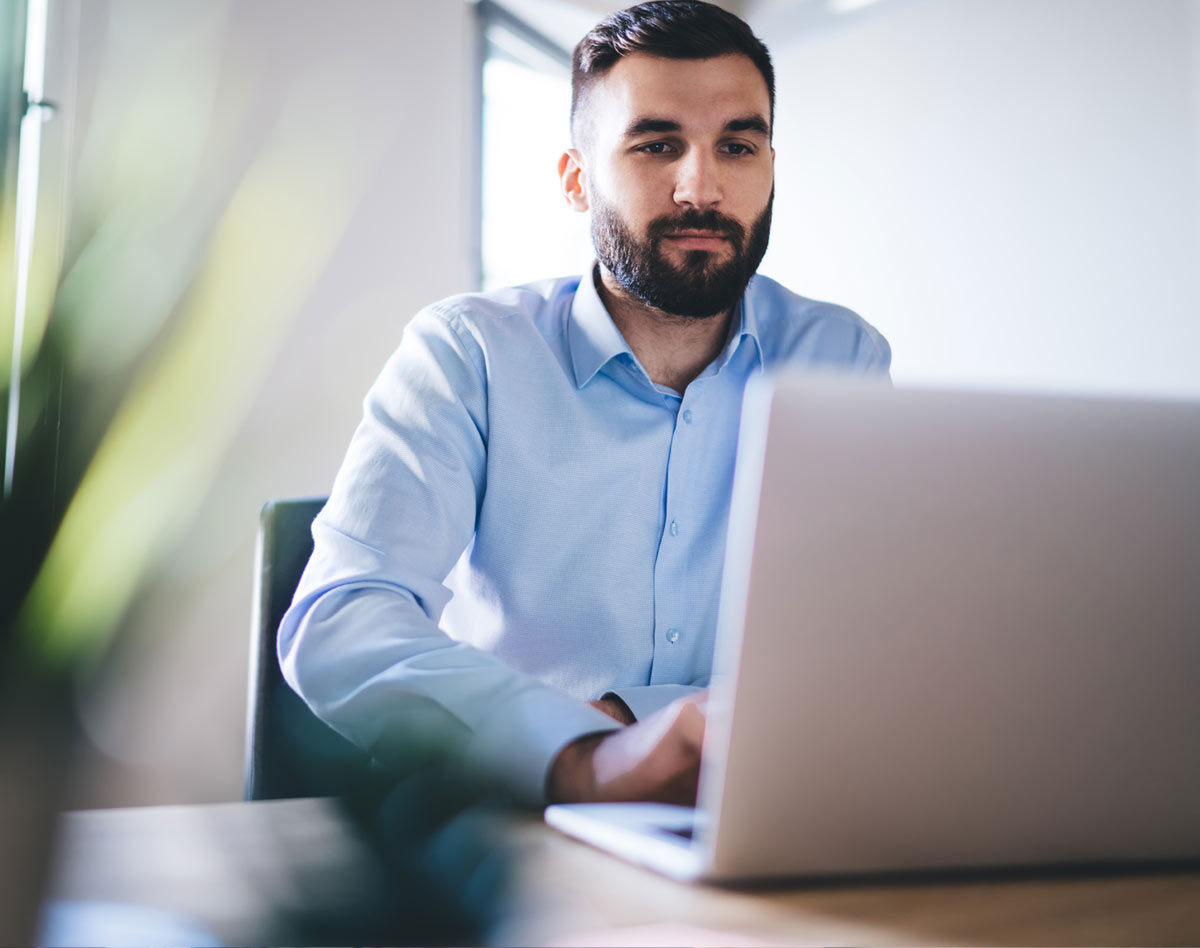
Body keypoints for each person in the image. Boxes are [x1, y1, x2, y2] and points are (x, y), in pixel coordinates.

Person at [279, 0, 890, 809]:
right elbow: (341, 622)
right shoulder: (469, 353)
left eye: (737, 146)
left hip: (767, 809)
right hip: (520, 816)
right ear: (576, 180)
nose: (701, 187)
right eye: (656, 144)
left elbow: (854, 636)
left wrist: (628, 718)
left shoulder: (839, 359)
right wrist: (576, 750)